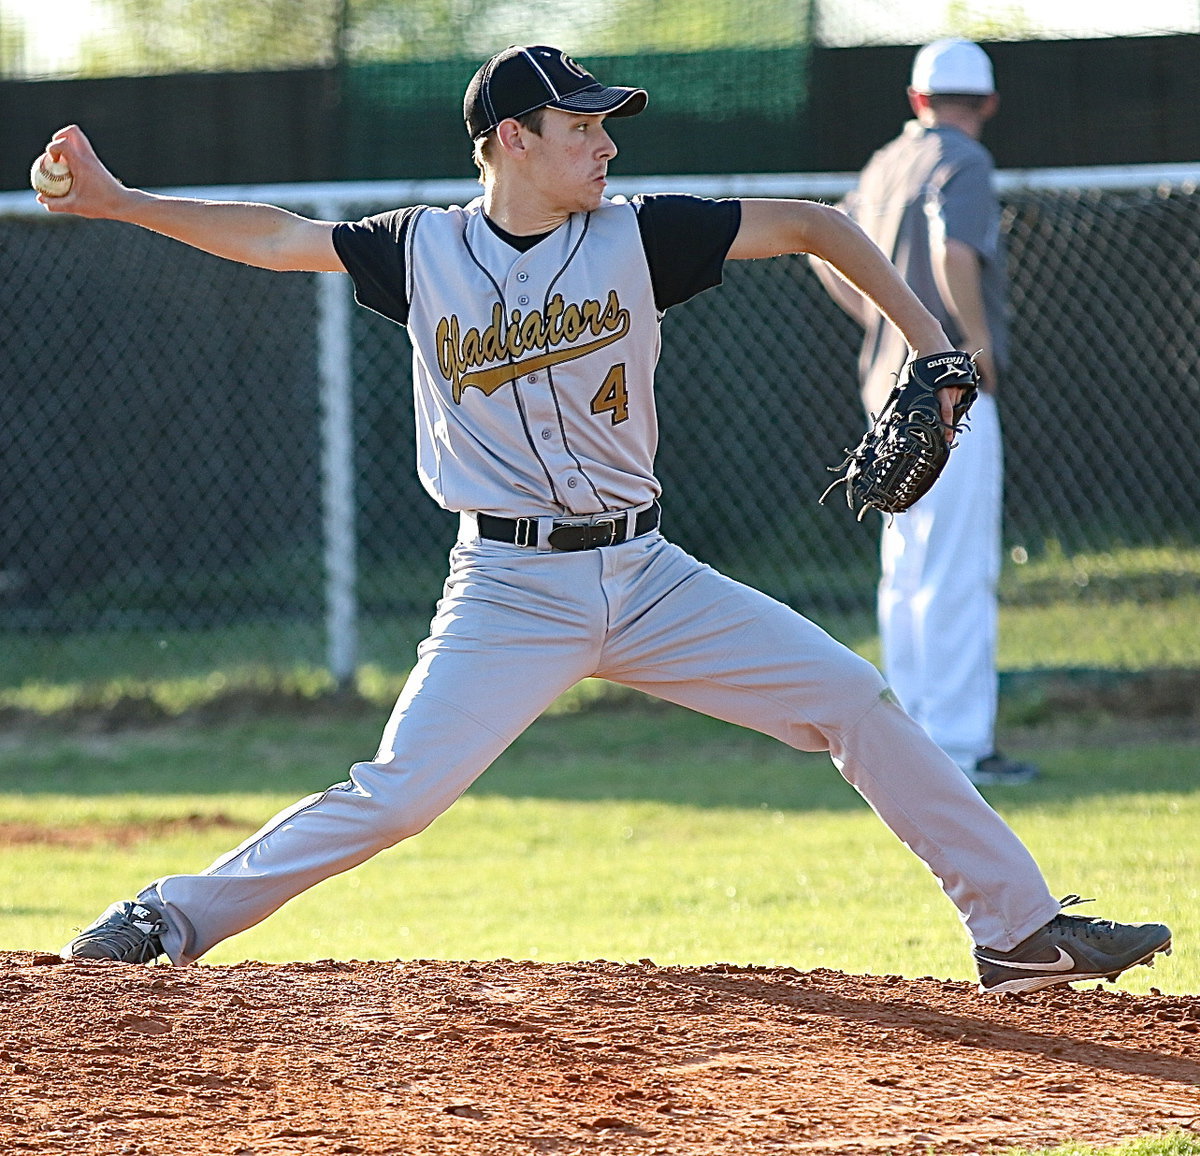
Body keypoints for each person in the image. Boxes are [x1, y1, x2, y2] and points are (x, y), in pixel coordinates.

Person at [44, 44, 1169, 994]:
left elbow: (822, 227)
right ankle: (170, 918)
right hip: (506, 588)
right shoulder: (419, 249)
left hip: (648, 573)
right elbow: (273, 237)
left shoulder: (642, 235)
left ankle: (1019, 934)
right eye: (579, 123)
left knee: (853, 701)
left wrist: (938, 349)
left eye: (603, 124)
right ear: (511, 140)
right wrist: (115, 201)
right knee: (395, 799)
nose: (605, 141)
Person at [810, 39, 1035, 787]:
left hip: (887, 395)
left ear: (916, 100)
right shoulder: (963, 159)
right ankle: (961, 747)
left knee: (905, 571)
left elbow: (822, 252)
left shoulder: (884, 163)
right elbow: (954, 253)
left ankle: (909, 739)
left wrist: (886, 325)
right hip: (947, 397)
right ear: (992, 104)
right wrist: (965, 345)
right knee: (958, 570)